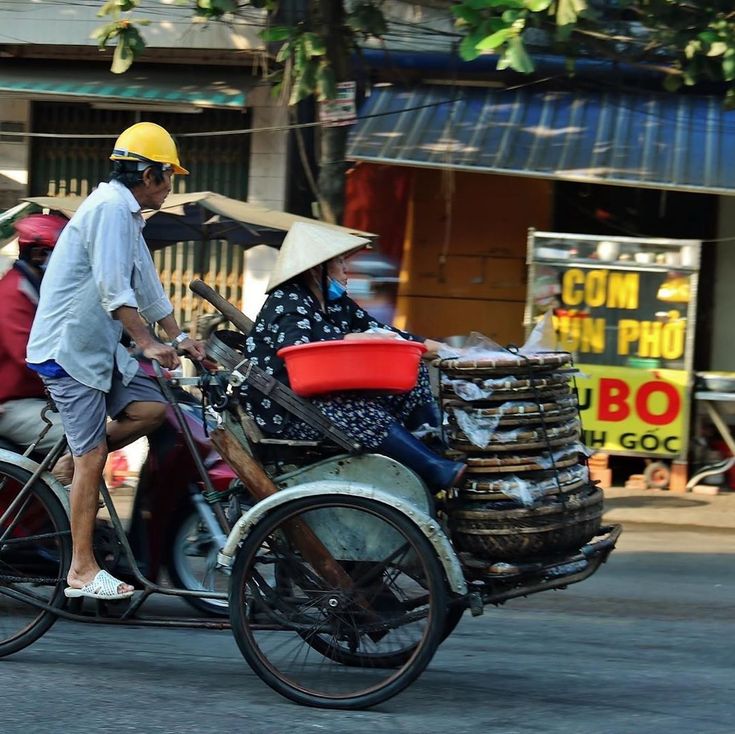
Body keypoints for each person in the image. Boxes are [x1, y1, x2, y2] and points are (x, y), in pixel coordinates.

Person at [26, 121, 206, 601]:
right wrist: (148, 343)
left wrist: (179, 336)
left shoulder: (128, 216)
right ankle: (81, 569)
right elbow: (113, 288)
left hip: (96, 352)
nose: (170, 187)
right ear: (148, 174)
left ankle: (67, 463)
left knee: (151, 409)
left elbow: (145, 284)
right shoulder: (108, 208)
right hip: (68, 352)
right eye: (168, 177)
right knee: (94, 457)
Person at [242, 221, 465, 492]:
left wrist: (445, 350)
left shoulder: (337, 304)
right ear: (317, 269)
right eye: (340, 263)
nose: (347, 271)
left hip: (324, 398)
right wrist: (349, 340)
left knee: (415, 368)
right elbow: (296, 351)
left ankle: (431, 447)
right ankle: (433, 468)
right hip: (291, 411)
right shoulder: (287, 302)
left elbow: (385, 333)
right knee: (359, 409)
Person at [0, 213, 74, 483]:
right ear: (39, 254)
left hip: (32, 397)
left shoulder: (37, 289)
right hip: (10, 403)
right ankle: (70, 509)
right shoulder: (12, 293)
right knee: (80, 434)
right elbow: (28, 356)